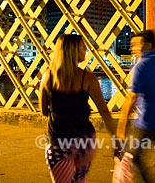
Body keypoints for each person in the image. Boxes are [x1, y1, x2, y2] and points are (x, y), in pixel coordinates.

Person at [39, 33, 117, 183]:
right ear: (73, 51)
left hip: (58, 142)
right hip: (85, 141)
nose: (86, 50)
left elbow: (44, 111)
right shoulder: (88, 78)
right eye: (83, 47)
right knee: (80, 180)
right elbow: (104, 110)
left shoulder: (47, 77)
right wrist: (116, 138)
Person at [116, 30, 155, 183]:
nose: (133, 48)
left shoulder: (140, 66)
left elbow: (132, 98)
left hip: (145, 124)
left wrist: (121, 127)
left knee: (135, 157)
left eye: (137, 45)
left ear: (148, 45)